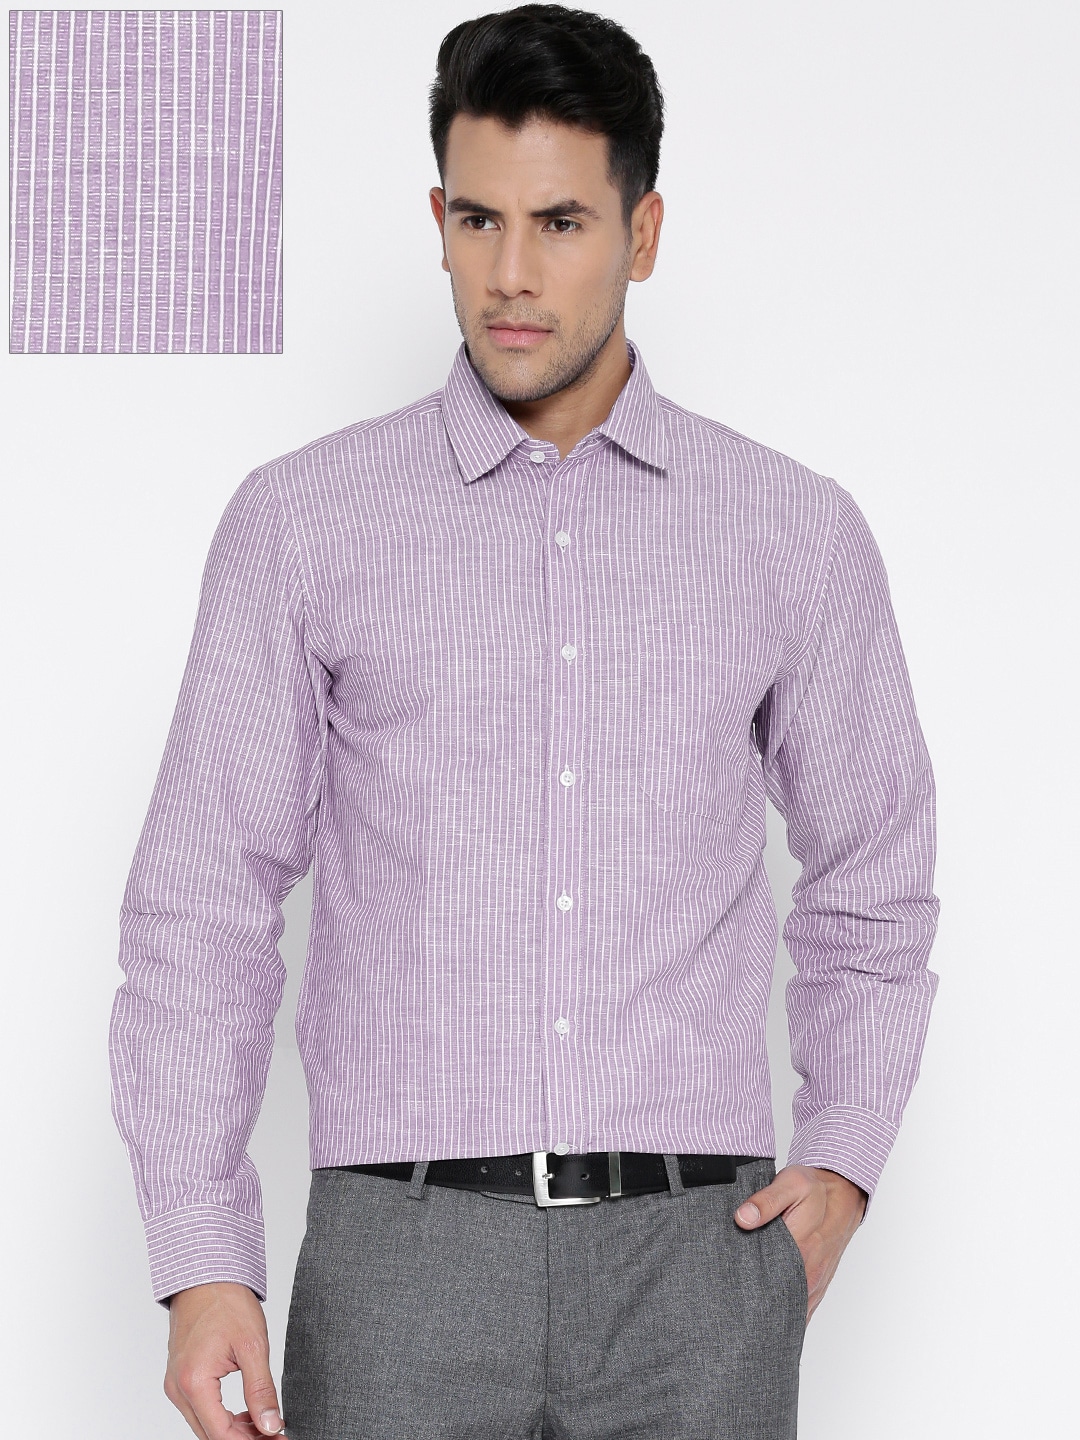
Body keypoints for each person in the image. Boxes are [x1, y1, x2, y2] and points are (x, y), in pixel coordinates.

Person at [109, 5, 940, 1437]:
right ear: (435, 219)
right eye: (477, 219)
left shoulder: (789, 532)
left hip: (696, 1259)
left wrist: (848, 1155)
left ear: (643, 232)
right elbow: (203, 902)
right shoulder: (303, 524)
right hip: (400, 1260)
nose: (510, 274)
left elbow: (876, 869)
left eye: (560, 223)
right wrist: (201, 1256)